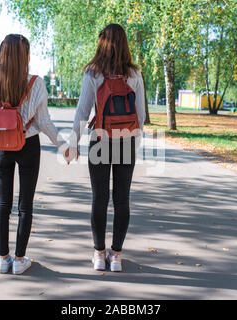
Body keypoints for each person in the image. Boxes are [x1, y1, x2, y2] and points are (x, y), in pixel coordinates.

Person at [0, 34, 62, 275]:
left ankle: (3, 259)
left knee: (3, 204)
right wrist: (63, 145)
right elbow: (44, 122)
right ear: (25, 56)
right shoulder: (36, 83)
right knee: (25, 205)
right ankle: (20, 259)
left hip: (1, 147)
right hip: (28, 146)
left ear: (2, 55)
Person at [65, 24, 146, 272]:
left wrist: (73, 142)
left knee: (99, 198)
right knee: (122, 199)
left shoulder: (93, 72)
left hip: (100, 139)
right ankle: (117, 256)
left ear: (102, 43)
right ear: (125, 44)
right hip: (127, 140)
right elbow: (140, 115)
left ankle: (99, 255)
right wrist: (133, 143)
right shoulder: (134, 73)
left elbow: (83, 110)